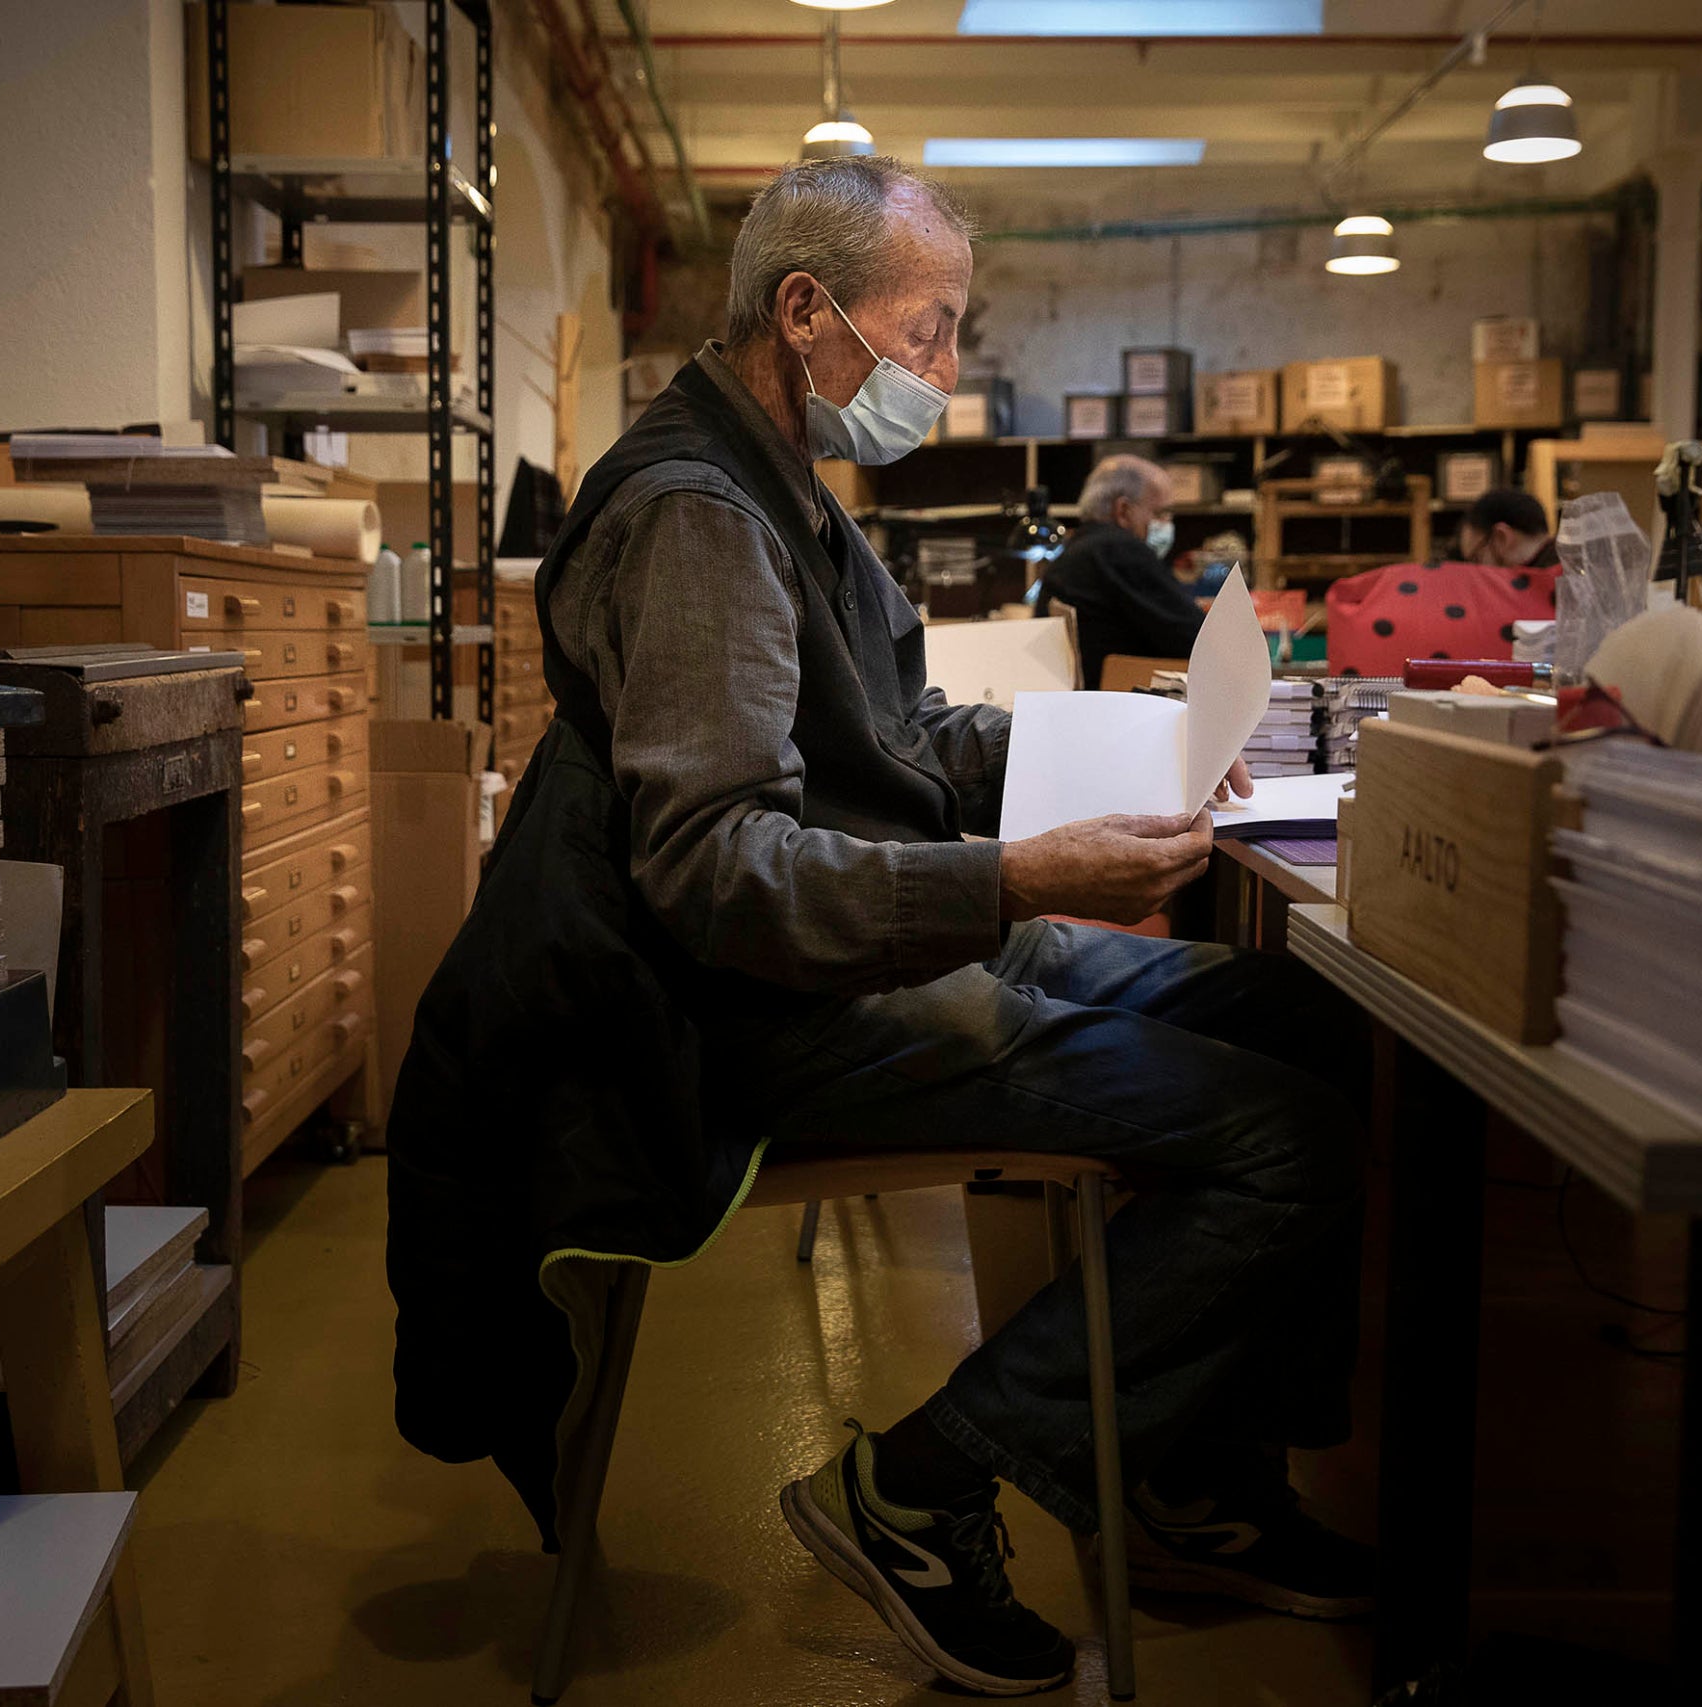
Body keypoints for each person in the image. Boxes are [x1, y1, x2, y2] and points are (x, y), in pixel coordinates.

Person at [386, 154, 1375, 1699]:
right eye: (931, 332)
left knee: (1312, 1018)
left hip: (871, 940)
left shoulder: (786, 485)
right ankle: (924, 1478)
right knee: (1287, 1137)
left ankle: (1184, 1473)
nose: (947, 372)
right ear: (807, 311)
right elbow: (721, 876)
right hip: (761, 1013)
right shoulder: (699, 517)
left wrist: (1133, 739)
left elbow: (899, 731)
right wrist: (1018, 880)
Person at [1039, 454, 1205, 686]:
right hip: (1119, 705)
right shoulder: (1118, 551)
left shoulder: (1079, 549)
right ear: (1124, 510)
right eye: (1160, 513)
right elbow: (1201, 640)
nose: (1167, 523)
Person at [1455, 486, 1558, 568]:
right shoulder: (1566, 566)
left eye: (1476, 559)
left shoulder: (1535, 587)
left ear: (1502, 537)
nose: (1474, 571)